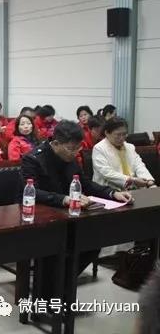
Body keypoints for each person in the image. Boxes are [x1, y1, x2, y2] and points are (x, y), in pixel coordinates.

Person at [21, 120, 132, 298]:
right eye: (71, 148)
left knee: (92, 243)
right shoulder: (33, 159)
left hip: (68, 216)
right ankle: (48, 292)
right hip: (40, 218)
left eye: (77, 148)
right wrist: (64, 199)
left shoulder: (70, 157)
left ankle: (60, 285)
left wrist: (112, 193)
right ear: (56, 143)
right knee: (55, 249)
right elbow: (30, 191)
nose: (74, 153)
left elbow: (86, 184)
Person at [92, 117, 155, 190]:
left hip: (132, 188)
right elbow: (107, 173)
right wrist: (132, 180)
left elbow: (139, 165)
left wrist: (149, 181)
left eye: (124, 134)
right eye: (118, 135)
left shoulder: (130, 147)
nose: (122, 138)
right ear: (107, 133)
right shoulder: (99, 148)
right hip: (109, 190)